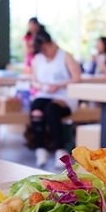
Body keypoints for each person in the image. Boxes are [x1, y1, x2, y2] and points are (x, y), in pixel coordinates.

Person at [29, 28, 81, 168]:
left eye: (46, 48)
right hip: (44, 94)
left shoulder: (65, 56)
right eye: (42, 50)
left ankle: (60, 150)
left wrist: (59, 85)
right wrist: (40, 86)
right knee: (36, 108)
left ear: (50, 43)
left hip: (63, 96)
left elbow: (76, 78)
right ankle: (40, 149)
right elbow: (33, 80)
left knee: (51, 110)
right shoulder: (38, 59)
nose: (45, 52)